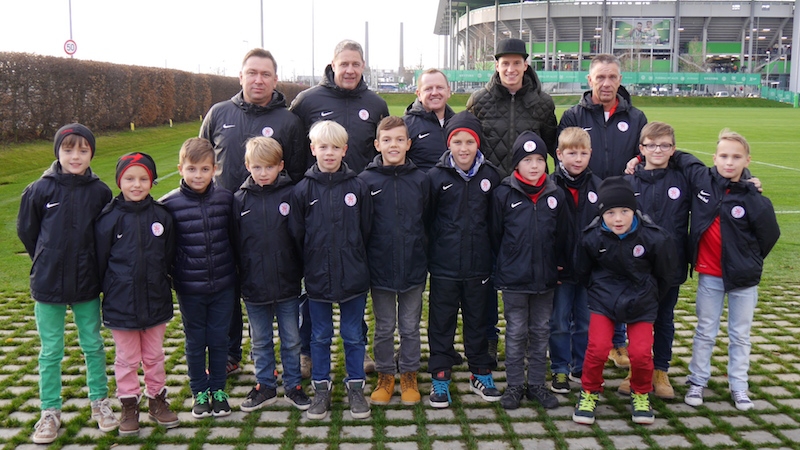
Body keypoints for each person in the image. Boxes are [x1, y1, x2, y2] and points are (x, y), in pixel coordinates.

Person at [201, 48, 305, 377]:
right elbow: (202, 160)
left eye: (265, 74)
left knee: (278, 291)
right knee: (227, 291)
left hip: (273, 225)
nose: (258, 80)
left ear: (275, 79)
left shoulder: (289, 121)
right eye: (252, 73)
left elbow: (298, 173)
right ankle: (230, 353)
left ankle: (291, 360)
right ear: (241, 76)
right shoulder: (218, 113)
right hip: (224, 219)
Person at [290, 39, 388, 376]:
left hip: (356, 200)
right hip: (317, 200)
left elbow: (381, 150)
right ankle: (307, 352)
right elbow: (296, 150)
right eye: (343, 63)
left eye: (355, 64)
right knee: (313, 284)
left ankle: (358, 349)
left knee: (354, 279)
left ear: (363, 67)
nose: (349, 69)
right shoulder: (307, 101)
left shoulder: (375, 104)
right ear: (332, 65)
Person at [17, 124, 119, 444]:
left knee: (93, 345)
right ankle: (50, 411)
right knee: (51, 351)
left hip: (87, 283)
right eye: (68, 149)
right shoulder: (39, 190)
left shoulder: (100, 192)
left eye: (83, 150)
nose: (75, 156)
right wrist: (46, 258)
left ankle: (100, 402)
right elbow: (28, 232)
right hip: (49, 284)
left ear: (91, 154)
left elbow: (105, 235)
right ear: (58, 151)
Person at [674, 130, 780, 410]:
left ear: (747, 161)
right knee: (705, 330)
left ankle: (739, 385)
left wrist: (747, 260)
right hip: (710, 275)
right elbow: (678, 155)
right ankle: (697, 380)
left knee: (740, 334)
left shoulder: (754, 198)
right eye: (723, 156)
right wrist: (637, 159)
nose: (729, 162)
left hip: (743, 279)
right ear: (714, 158)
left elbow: (769, 235)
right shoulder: (702, 179)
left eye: (736, 157)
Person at [467, 38, 557, 362]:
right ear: (496, 65)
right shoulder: (479, 100)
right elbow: (469, 145)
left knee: (531, 269)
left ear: (525, 65)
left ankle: (532, 339)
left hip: (530, 202)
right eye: (505, 63)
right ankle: (490, 337)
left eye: (516, 62)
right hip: (490, 200)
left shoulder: (542, 103)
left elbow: (552, 149)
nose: (510, 68)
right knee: (490, 271)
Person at [558, 53, 648, 367]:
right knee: (584, 273)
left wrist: (638, 161)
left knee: (618, 272)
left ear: (620, 80)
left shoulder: (636, 117)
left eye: (612, 77)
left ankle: (618, 341)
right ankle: (577, 345)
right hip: (583, 206)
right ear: (590, 80)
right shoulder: (573, 115)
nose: (606, 83)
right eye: (600, 77)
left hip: (621, 211)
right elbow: (563, 158)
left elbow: (648, 154)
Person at [572, 177, 675, 426]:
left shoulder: (654, 237)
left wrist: (650, 295)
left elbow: (665, 275)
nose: (618, 219)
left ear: (634, 210)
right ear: (601, 213)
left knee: (640, 353)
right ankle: (589, 391)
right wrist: (599, 291)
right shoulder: (591, 238)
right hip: (604, 300)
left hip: (641, 301)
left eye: (625, 212)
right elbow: (582, 271)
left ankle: (640, 393)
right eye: (610, 213)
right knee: (597, 348)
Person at [289, 120, 373, 420]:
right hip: (317, 278)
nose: (329, 153)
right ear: (313, 149)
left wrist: (354, 257)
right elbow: (297, 235)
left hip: (353, 276)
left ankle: (355, 387)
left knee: (353, 335)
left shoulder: (358, 187)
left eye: (335, 147)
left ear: (344, 150)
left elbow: (366, 230)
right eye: (323, 147)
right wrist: (311, 263)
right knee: (320, 336)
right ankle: (321, 388)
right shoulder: (302, 190)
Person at [95, 152, 179, 435]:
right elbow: (100, 262)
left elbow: (168, 256)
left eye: (143, 179)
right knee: (127, 359)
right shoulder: (108, 219)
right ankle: (129, 404)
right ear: (119, 181)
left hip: (156, 300)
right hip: (121, 303)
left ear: (152, 182)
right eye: (130, 178)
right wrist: (111, 289)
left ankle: (157, 400)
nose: (136, 184)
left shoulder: (162, 216)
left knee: (154, 356)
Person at [426, 111, 501, 408]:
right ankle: (440, 374)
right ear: (449, 144)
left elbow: (495, 223)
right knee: (441, 321)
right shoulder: (436, 177)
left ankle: (480, 371)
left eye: (469, 142)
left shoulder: (490, 176)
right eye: (457, 142)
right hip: (444, 265)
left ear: (478, 143)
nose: (464, 148)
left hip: (479, 265)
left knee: (478, 320)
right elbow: (427, 220)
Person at [490, 131, 569, 410]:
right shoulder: (503, 194)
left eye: (539, 160)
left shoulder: (555, 194)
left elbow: (562, 235)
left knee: (540, 331)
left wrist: (557, 265)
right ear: (516, 164)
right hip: (514, 279)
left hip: (545, 279)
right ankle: (514, 385)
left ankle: (536, 384)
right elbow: (495, 235)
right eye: (527, 160)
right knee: (516, 332)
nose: (534, 166)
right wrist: (506, 263)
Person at [160, 138, 237, 418]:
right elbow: (165, 249)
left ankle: (218, 389)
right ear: (181, 169)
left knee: (219, 340)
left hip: (223, 285)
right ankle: (199, 392)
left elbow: (234, 239)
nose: (198, 176)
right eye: (192, 169)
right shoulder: (168, 204)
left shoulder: (226, 199)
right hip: (190, 288)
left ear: (214, 169)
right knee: (195, 342)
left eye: (205, 169)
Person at [233, 137, 311, 412]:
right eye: (257, 167)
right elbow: (235, 244)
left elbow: (300, 238)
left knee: (291, 339)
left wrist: (299, 271)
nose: (263, 173)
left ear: (280, 166)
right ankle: (265, 385)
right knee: (260, 340)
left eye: (269, 167)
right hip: (254, 286)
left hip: (288, 284)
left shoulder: (293, 195)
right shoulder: (239, 200)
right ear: (247, 166)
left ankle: (293, 385)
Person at [359, 116, 430, 406]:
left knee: (410, 326)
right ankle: (386, 375)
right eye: (387, 140)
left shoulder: (421, 180)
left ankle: (409, 374)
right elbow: (362, 227)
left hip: (413, 266)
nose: (393, 145)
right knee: (385, 326)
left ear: (408, 144)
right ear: (377, 144)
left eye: (400, 140)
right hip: (381, 268)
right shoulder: (366, 181)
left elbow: (428, 222)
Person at [616, 122, 690, 400]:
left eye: (664, 145)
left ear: (673, 149)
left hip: (671, 264)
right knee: (638, 319)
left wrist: (749, 179)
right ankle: (637, 370)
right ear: (641, 149)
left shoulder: (683, 180)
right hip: (637, 267)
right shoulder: (628, 181)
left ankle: (660, 370)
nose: (658, 150)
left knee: (664, 319)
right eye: (651, 145)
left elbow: (716, 181)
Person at [547, 127, 602, 395]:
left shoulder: (598, 187)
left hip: (589, 271)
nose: (577, 159)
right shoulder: (550, 185)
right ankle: (560, 366)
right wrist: (551, 261)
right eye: (571, 153)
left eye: (583, 153)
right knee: (558, 321)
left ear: (590, 154)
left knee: (585, 322)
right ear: (559, 154)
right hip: (561, 270)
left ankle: (581, 365)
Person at [402, 69, 455, 172]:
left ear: (448, 91)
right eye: (428, 89)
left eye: (439, 87)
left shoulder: (459, 123)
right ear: (419, 94)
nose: (434, 93)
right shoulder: (405, 126)